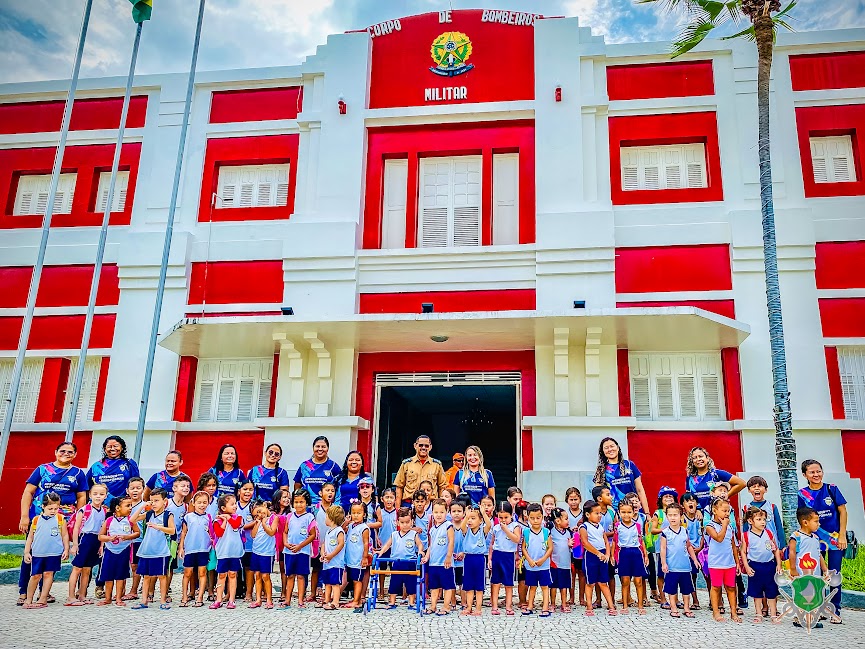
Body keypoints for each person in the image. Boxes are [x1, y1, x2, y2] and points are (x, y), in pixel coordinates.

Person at [17, 441, 87, 605]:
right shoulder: (42, 469)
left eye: (70, 452)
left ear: (75, 455)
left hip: (62, 520)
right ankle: (23, 592)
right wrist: (24, 516)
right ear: (56, 452)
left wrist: (79, 517)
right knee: (33, 553)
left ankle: (44, 592)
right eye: (63, 451)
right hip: (39, 519)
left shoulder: (77, 473)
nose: (66, 454)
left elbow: (81, 497)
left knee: (52, 554)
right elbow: (28, 492)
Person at [797, 458, 847, 624]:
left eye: (818, 471)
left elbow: (842, 511)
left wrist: (842, 535)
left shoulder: (831, 489)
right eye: (812, 472)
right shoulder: (802, 494)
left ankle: (835, 610)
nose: (816, 474)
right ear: (805, 475)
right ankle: (819, 608)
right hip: (813, 542)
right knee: (815, 575)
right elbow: (801, 518)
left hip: (834, 541)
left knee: (833, 574)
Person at [22, 492, 70, 609]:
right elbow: (30, 537)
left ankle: (43, 598)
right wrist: (27, 552)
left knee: (48, 574)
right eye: (50, 508)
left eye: (56, 508)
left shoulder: (60, 519)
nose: (53, 511)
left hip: (54, 552)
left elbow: (64, 535)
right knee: (35, 575)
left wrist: (66, 549)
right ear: (43, 507)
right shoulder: (36, 520)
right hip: (38, 552)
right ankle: (28, 599)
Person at [130, 488, 176, 610]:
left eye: (156, 500)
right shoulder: (149, 514)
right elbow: (132, 519)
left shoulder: (168, 515)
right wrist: (142, 506)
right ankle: (144, 601)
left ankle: (162, 600)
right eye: (152, 501)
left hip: (161, 550)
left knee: (162, 576)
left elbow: (172, 530)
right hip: (147, 550)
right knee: (146, 576)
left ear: (164, 501)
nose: (154, 503)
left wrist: (157, 527)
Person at [66, 483, 108, 605]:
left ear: (105, 496)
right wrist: (75, 544)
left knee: (87, 569)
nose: (98, 497)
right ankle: (71, 596)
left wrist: (101, 545)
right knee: (77, 568)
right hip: (84, 539)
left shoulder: (104, 511)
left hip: (96, 539)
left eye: (101, 494)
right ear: (90, 495)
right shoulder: (84, 510)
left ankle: (82, 594)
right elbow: (76, 527)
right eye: (95, 494)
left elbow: (102, 529)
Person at [789, 506, 828, 629]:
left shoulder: (816, 538)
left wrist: (825, 569)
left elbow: (819, 555)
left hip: (815, 573)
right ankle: (801, 618)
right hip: (801, 573)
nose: (818, 524)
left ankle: (810, 617)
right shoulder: (796, 536)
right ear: (805, 522)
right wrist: (793, 569)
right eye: (816, 521)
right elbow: (792, 553)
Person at [740, 506, 781, 623]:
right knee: (756, 592)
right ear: (750, 521)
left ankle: (773, 613)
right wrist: (747, 566)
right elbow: (743, 551)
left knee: (772, 591)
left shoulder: (769, 533)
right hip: (754, 566)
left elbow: (775, 550)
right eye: (759, 519)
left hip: (769, 565)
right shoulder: (746, 536)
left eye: (764, 519)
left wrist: (778, 564)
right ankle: (758, 613)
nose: (762, 522)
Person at [378, 506, 422, 610]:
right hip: (397, 562)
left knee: (411, 583)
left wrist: (420, 551)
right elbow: (387, 545)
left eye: (407, 522)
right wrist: (381, 552)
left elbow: (420, 544)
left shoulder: (413, 534)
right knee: (394, 583)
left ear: (412, 521)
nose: (405, 525)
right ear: (397, 522)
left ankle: (411, 603)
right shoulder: (394, 535)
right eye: (402, 522)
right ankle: (392, 602)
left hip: (410, 562)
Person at [97, 495, 138, 606]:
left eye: (131, 506)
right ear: (117, 508)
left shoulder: (130, 520)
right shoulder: (109, 520)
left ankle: (119, 598)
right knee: (108, 575)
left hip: (124, 550)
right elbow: (100, 536)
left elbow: (137, 532)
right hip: (110, 550)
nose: (130, 508)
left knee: (121, 575)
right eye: (127, 505)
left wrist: (127, 537)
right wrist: (109, 538)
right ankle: (108, 598)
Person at [592, 437, 650, 514]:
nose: (610, 449)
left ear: (618, 448)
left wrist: (647, 513)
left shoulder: (629, 465)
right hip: (614, 511)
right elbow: (598, 495)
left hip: (633, 510)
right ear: (603, 452)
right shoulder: (601, 470)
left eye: (612, 446)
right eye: (606, 448)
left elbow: (640, 490)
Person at [706, 496, 741, 623]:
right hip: (716, 563)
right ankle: (716, 612)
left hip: (729, 562)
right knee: (716, 587)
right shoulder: (710, 526)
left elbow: (733, 545)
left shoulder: (730, 527)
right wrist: (724, 525)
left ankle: (733, 612)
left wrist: (737, 562)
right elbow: (719, 538)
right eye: (724, 511)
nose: (727, 514)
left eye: (728, 511)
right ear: (715, 511)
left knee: (731, 587)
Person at [281, 489, 316, 608]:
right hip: (289, 551)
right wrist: (285, 543)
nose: (298, 505)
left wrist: (300, 546)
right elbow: (285, 532)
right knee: (290, 575)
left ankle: (301, 600)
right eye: (296, 502)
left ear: (306, 503)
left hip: (303, 551)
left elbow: (312, 535)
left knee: (301, 576)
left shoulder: (309, 517)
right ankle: (287, 599)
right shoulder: (289, 516)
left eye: (301, 502)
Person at [659, 503, 696, 619]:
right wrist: (663, 563)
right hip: (672, 567)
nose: (673, 517)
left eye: (675, 515)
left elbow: (689, 546)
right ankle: (673, 607)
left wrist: (695, 560)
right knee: (672, 589)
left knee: (686, 589)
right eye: (670, 515)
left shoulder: (685, 531)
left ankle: (686, 608)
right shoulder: (665, 533)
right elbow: (663, 549)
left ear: (681, 516)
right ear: (667, 517)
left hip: (685, 566)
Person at [579, 499, 615, 617]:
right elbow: (585, 543)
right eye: (596, 513)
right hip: (591, 556)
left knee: (604, 581)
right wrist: (597, 553)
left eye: (600, 513)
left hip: (603, 555)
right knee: (590, 583)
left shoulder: (600, 526)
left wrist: (608, 554)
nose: (599, 515)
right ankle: (589, 606)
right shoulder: (584, 527)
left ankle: (611, 605)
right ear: (588, 514)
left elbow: (605, 540)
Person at [178, 491, 213, 607]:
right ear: (193, 503)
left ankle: (200, 598)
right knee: (187, 573)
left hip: (203, 549)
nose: (202, 505)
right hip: (190, 549)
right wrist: (181, 547)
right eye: (199, 502)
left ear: (208, 503)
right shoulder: (188, 517)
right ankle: (184, 596)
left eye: (204, 502)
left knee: (202, 573)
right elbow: (183, 532)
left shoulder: (208, 517)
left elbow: (211, 533)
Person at [613, 499, 647, 615]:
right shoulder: (617, 526)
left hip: (636, 553)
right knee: (625, 580)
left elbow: (641, 541)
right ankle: (625, 605)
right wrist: (613, 555)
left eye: (629, 512)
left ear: (633, 513)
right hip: (623, 553)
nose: (626, 515)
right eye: (623, 512)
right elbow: (614, 541)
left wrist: (645, 555)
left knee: (638, 581)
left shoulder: (637, 526)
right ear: (619, 512)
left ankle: (640, 605)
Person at [210, 493, 244, 609]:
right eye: (232, 504)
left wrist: (229, 518)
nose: (235, 506)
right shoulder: (217, 521)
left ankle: (232, 600)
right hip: (223, 553)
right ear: (223, 508)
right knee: (222, 575)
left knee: (233, 574)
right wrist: (224, 520)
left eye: (235, 504)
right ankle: (219, 599)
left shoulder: (238, 518)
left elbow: (235, 525)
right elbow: (219, 533)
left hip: (234, 553)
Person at [685, 446, 745, 511]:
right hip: (698, 516)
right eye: (695, 458)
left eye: (701, 456)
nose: (698, 459)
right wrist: (696, 511)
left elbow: (741, 483)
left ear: (707, 458)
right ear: (692, 462)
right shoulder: (690, 478)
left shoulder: (716, 474)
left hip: (716, 514)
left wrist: (726, 496)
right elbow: (689, 499)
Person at [423, 498, 456, 615]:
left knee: (447, 585)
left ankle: (446, 606)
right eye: (436, 512)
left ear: (446, 512)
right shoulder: (432, 529)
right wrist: (427, 557)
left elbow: (451, 541)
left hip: (445, 563)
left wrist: (448, 556)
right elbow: (431, 545)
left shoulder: (448, 525)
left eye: (442, 512)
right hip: (433, 563)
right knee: (434, 586)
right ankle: (433, 606)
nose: (439, 515)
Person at [394, 435, 448, 505]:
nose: (423, 448)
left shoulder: (437, 465)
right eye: (421, 445)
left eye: (426, 446)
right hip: (409, 504)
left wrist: (441, 506)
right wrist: (398, 508)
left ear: (430, 447)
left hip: (431, 504)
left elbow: (442, 487)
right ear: (415, 446)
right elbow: (399, 487)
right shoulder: (406, 464)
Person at [458, 504, 492, 616]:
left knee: (479, 585)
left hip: (479, 559)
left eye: (473, 518)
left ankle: (478, 608)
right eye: (469, 519)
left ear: (480, 520)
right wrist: (466, 516)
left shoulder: (483, 531)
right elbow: (461, 527)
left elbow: (489, 524)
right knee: (468, 585)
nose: (470, 521)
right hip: (468, 558)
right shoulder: (466, 531)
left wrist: (483, 513)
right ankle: (468, 607)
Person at [489, 500, 521, 616]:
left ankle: (508, 606)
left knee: (508, 583)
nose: (503, 520)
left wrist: (506, 529)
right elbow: (492, 544)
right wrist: (490, 558)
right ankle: (494, 606)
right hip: (498, 555)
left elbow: (517, 539)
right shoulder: (496, 528)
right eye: (500, 517)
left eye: (506, 517)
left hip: (509, 556)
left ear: (511, 515)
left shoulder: (515, 526)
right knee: (495, 582)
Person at [522, 503, 553, 617]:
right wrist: (529, 559)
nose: (535, 520)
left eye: (538, 517)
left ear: (542, 517)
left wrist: (543, 559)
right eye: (532, 518)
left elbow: (550, 547)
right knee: (532, 586)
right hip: (531, 565)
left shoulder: (546, 532)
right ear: (528, 517)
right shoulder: (526, 532)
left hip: (544, 565)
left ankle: (545, 607)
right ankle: (530, 605)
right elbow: (524, 547)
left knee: (545, 586)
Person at [293, 435, 341, 504]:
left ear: (327, 449)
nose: (320, 449)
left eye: (323, 447)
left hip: (325, 507)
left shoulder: (333, 466)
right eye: (317, 446)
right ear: (313, 448)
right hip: (306, 506)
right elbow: (297, 484)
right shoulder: (305, 465)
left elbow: (339, 488)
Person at [650, 485, 677, 603]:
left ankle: (675, 598)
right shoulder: (658, 513)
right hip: (661, 548)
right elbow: (653, 529)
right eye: (666, 496)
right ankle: (662, 597)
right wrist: (666, 530)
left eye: (671, 496)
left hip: (675, 548)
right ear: (660, 499)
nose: (668, 498)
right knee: (661, 573)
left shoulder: (678, 512)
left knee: (675, 573)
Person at [741, 475, 786, 547]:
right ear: (749, 490)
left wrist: (782, 546)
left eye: (760, 486)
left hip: (772, 545)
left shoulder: (772, 507)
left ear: (766, 490)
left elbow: (779, 527)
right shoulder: (746, 508)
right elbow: (745, 529)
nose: (757, 488)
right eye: (753, 486)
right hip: (754, 546)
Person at [249, 501, 278, 609]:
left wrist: (264, 523)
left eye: (260, 511)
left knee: (265, 576)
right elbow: (253, 535)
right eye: (257, 514)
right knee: (257, 575)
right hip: (256, 551)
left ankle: (269, 599)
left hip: (267, 553)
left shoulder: (273, 518)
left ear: (265, 507)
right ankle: (258, 599)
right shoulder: (258, 521)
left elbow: (271, 532)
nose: (260, 515)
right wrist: (257, 523)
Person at [345, 501, 371, 613]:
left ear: (364, 514)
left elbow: (366, 544)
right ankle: (356, 599)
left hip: (358, 559)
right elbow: (341, 529)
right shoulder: (350, 526)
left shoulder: (364, 528)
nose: (356, 515)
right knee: (352, 579)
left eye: (359, 513)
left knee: (357, 580)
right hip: (350, 558)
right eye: (353, 512)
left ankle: (357, 600)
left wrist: (365, 557)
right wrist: (346, 522)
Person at [320, 505, 347, 610]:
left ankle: (335, 602)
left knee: (335, 583)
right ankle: (327, 599)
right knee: (327, 582)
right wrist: (323, 554)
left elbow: (341, 544)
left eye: (326, 516)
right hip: (327, 563)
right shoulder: (328, 531)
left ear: (331, 518)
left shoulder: (339, 531)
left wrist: (331, 555)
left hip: (336, 563)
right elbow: (324, 544)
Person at [234, 478, 256, 601]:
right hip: (235, 544)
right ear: (238, 491)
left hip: (250, 543)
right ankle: (233, 592)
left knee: (249, 568)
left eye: (250, 489)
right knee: (234, 568)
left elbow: (258, 520)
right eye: (245, 489)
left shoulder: (254, 506)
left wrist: (241, 526)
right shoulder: (233, 505)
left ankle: (248, 592)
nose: (248, 492)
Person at [681, 492, 703, 610]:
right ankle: (695, 600)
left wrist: (700, 547)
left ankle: (715, 600)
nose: (690, 502)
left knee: (707, 576)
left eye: (693, 500)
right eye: (687, 501)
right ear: (683, 505)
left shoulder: (701, 517)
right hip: (688, 551)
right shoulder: (682, 519)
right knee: (692, 576)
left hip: (701, 550)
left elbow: (704, 533)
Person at [565, 487, 585, 608]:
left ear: (580, 499)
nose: (573, 502)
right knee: (571, 573)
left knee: (581, 573)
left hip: (581, 547)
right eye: (571, 499)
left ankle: (581, 598)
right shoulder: (565, 514)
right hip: (569, 546)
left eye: (575, 499)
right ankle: (571, 597)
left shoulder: (584, 513)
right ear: (567, 500)